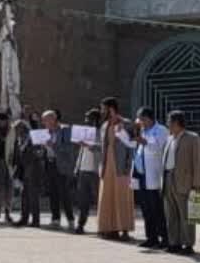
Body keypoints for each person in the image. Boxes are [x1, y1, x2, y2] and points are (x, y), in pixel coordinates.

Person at [162, 110, 200, 255]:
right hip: (168, 178)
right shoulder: (169, 139)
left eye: (169, 121)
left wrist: (197, 183)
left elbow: (198, 162)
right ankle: (174, 243)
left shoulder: (193, 138)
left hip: (185, 181)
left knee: (186, 215)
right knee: (171, 214)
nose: (167, 124)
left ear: (176, 123)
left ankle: (188, 244)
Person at [96, 97, 137, 241]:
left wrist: (129, 166)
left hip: (122, 166)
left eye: (103, 108)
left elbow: (132, 145)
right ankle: (109, 228)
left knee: (122, 197)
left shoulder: (127, 124)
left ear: (111, 109)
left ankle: (124, 230)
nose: (102, 111)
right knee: (107, 196)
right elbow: (102, 147)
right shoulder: (104, 125)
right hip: (107, 166)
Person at [132, 107, 170, 249]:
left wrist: (144, 142)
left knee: (157, 209)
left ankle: (164, 238)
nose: (140, 122)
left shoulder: (161, 130)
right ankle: (151, 237)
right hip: (141, 173)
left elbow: (160, 148)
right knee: (146, 208)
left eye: (142, 119)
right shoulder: (142, 130)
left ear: (149, 118)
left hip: (153, 174)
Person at [41, 110, 75, 229]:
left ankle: (70, 219)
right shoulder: (45, 132)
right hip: (49, 164)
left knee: (64, 193)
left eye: (45, 120)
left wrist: (53, 145)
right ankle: (55, 219)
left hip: (61, 165)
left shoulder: (65, 129)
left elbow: (69, 148)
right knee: (53, 193)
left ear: (53, 119)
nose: (43, 123)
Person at [73, 109, 103, 235]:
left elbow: (105, 148)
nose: (86, 121)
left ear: (95, 120)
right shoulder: (84, 132)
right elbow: (81, 151)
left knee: (99, 200)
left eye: (89, 119)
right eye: (86, 119)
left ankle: (103, 226)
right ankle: (80, 224)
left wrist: (92, 146)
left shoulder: (102, 132)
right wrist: (77, 167)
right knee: (83, 200)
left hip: (95, 171)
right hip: (83, 170)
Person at [12, 119, 45, 228]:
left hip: (33, 170)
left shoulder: (33, 137)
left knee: (33, 196)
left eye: (17, 129)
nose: (16, 131)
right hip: (24, 171)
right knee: (24, 196)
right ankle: (24, 219)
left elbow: (39, 153)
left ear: (23, 128)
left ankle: (36, 220)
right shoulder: (20, 139)